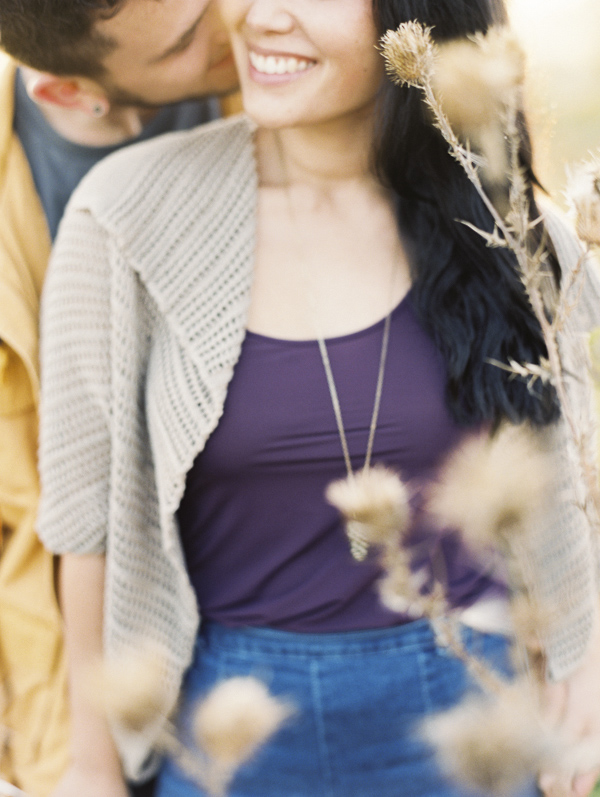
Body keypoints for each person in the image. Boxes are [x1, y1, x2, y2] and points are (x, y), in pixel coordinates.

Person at [37, 0, 600, 795]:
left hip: (470, 711)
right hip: (227, 728)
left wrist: (585, 658)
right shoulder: (123, 217)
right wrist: (90, 768)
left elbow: (568, 474)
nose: (263, 15)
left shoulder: (508, 227)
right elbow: (84, 521)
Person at [0, 1, 240, 794]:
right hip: (92, 665)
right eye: (185, 43)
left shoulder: (277, 70)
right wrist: (64, 759)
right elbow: (30, 517)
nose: (231, 27)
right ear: (71, 93)